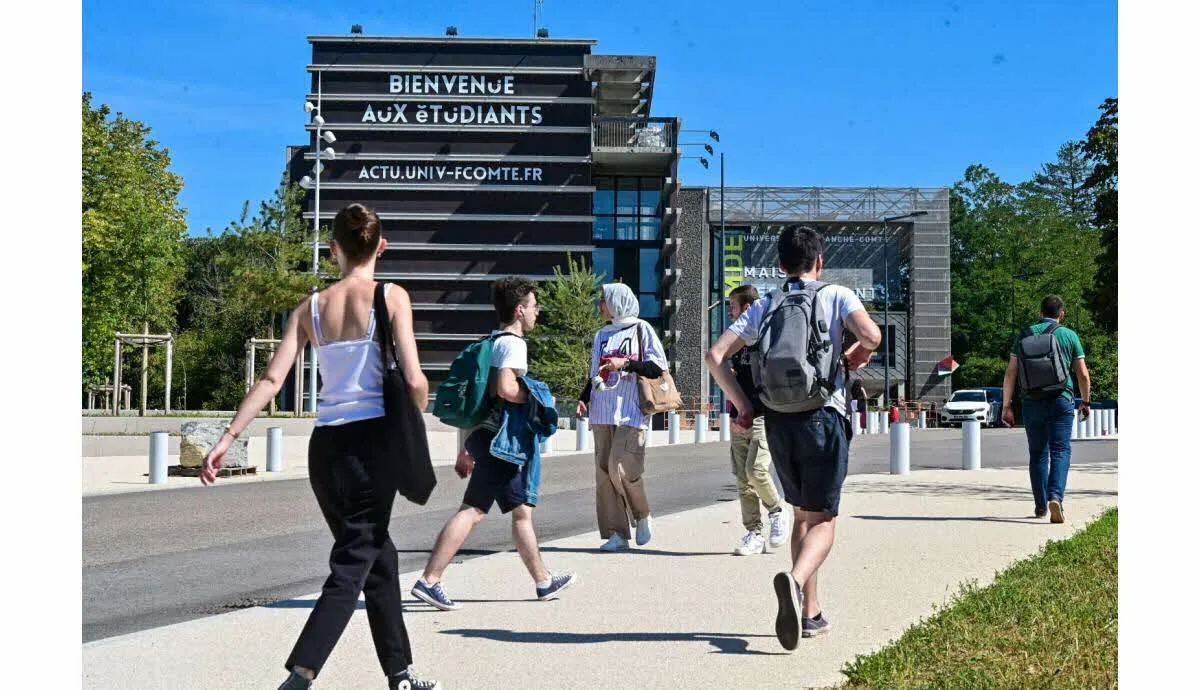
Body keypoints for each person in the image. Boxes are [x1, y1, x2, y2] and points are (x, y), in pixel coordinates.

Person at [199, 203, 440, 690]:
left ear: (334, 250)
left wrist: (228, 437)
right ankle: (301, 673)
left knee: (377, 557)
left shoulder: (308, 308)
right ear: (381, 246)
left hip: (325, 450)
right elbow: (415, 379)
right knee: (354, 560)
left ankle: (400, 673)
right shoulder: (391, 297)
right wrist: (417, 410)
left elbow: (271, 379)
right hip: (372, 445)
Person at [705, 225, 881, 652]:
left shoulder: (765, 304)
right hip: (822, 416)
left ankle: (810, 612)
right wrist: (858, 354)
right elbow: (872, 335)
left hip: (779, 421)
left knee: (802, 515)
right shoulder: (835, 295)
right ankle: (795, 580)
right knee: (823, 520)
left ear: (780, 265)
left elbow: (714, 356)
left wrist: (744, 406)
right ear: (819, 262)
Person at [411, 276, 576, 611]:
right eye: (533, 306)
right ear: (519, 310)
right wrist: (536, 400)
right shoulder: (513, 343)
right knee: (473, 509)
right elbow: (504, 389)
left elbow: (484, 399)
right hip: (503, 442)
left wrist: (469, 446)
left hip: (490, 438)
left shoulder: (493, 340)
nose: (537, 312)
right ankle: (430, 580)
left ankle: (543, 581)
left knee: (521, 512)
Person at [576, 283, 669, 552]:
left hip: (631, 409)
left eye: (603, 300)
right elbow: (595, 372)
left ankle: (642, 514)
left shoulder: (642, 329)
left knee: (621, 467)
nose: (600, 306)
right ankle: (616, 533)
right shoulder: (601, 335)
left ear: (617, 302)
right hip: (603, 409)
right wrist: (584, 397)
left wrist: (625, 363)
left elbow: (657, 367)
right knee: (604, 475)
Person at [1002, 294, 1091, 524]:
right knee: (1060, 450)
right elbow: (1082, 374)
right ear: (1061, 313)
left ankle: (1041, 505)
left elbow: (1011, 372)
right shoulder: (1069, 335)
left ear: (1040, 312)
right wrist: (1086, 401)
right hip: (1061, 398)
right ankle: (1055, 497)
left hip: (1031, 401)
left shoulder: (1023, 335)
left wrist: (1006, 405)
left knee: (1037, 453)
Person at [724, 284, 789, 556]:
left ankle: (777, 511)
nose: (730, 312)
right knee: (742, 479)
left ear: (747, 308)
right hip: (737, 417)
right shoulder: (733, 342)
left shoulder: (767, 339)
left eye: (733, 306)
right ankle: (754, 533)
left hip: (763, 416)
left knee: (757, 471)